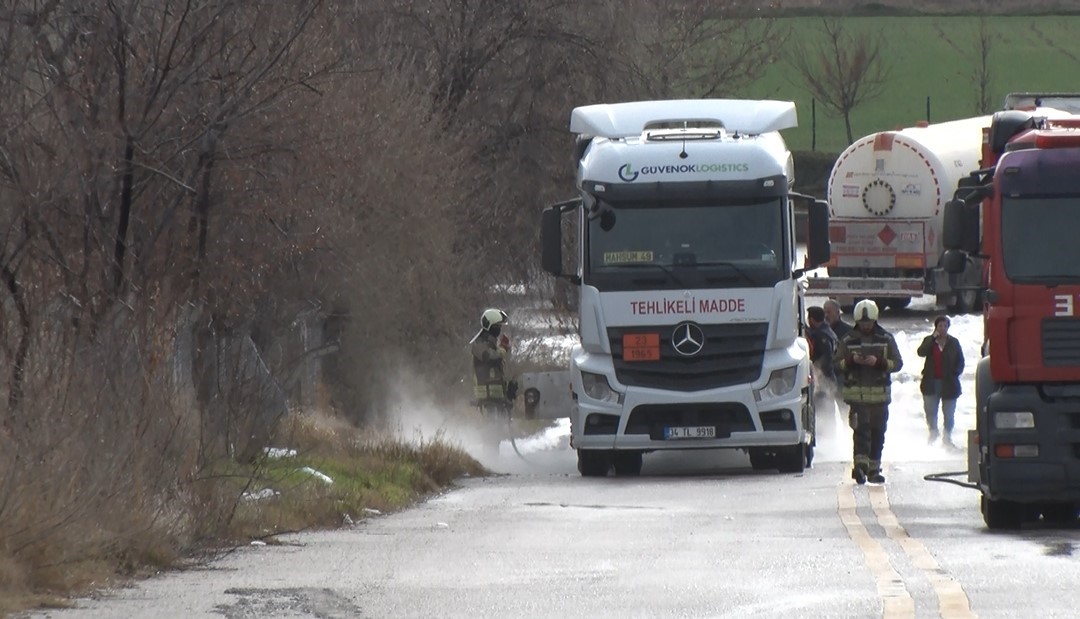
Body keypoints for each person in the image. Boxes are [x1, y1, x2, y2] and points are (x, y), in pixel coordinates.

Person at [835, 299, 903, 485]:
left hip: (880, 399)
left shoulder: (886, 339)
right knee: (861, 433)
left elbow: (897, 363)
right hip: (857, 398)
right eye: (862, 322)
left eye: (868, 322)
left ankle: (874, 469)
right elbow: (836, 364)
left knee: (878, 433)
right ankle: (860, 468)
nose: (865, 326)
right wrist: (851, 361)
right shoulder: (847, 341)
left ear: (874, 320)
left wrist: (879, 363)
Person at [917, 315, 965, 447]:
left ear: (948, 327)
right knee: (930, 411)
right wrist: (932, 339)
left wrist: (955, 373)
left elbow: (960, 361)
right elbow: (921, 352)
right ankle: (933, 433)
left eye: (945, 326)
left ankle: (947, 438)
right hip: (931, 383)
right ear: (936, 327)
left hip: (949, 384)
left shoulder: (954, 342)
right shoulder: (929, 341)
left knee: (949, 413)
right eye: (940, 326)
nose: (942, 328)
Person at [470, 308, 517, 417]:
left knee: (499, 431)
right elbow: (491, 358)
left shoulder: (492, 344)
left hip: (495, 397)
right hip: (487, 399)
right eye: (498, 326)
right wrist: (503, 348)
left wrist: (508, 393)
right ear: (491, 326)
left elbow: (498, 371)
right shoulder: (479, 344)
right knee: (491, 431)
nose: (499, 329)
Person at [805, 306, 839, 436]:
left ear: (812, 319)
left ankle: (826, 438)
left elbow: (826, 358)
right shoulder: (827, 331)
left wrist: (816, 370)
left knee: (823, 412)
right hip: (828, 379)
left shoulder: (821, 335)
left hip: (825, 380)